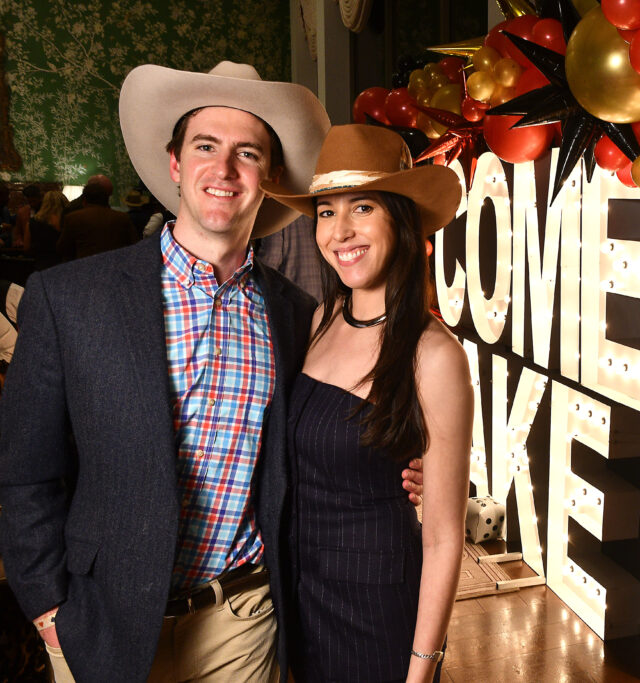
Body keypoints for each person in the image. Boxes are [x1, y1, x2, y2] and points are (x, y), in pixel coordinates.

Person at [0, 62, 427, 683]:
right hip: (100, 621)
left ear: (272, 177)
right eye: (206, 146)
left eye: (247, 153)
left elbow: (320, 433)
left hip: (243, 617)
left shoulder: (296, 314)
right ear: (175, 162)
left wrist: (399, 465)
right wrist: (47, 607)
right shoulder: (70, 298)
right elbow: (24, 472)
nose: (224, 170)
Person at [262, 124, 472, 683]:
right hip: (299, 599)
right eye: (327, 212)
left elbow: (446, 535)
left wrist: (421, 669)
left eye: (362, 207)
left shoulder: (434, 355)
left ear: (399, 219)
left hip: (376, 612)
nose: (341, 231)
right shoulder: (319, 319)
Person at [56, 179, 137, 261]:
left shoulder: (73, 218)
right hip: (114, 263)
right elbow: (133, 244)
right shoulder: (122, 217)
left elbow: (63, 247)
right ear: (107, 199)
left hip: (84, 265)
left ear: (84, 200)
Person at [26, 189, 67, 270]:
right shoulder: (69, 220)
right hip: (63, 264)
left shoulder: (33, 222)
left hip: (41, 265)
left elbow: (26, 248)